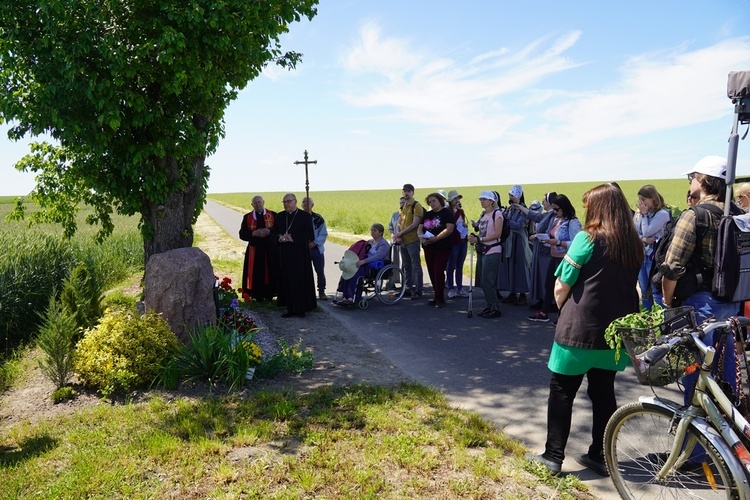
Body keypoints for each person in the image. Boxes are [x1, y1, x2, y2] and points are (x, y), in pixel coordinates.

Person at [526, 183, 643, 476]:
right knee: (603, 392)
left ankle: (553, 457)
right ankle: (600, 455)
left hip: (580, 328)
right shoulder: (632, 242)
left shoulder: (587, 238)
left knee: (562, 390)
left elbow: (562, 283)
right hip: (615, 331)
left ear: (599, 208)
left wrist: (562, 307)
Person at [658, 156, 739, 323]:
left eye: (692, 177)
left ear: (703, 181)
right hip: (732, 302)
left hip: (700, 304)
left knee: (699, 349)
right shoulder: (737, 214)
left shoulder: (694, 215)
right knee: (725, 349)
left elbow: (673, 266)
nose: (690, 182)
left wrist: (667, 300)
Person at [528, 194, 581, 323]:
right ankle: (544, 312)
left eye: (557, 209)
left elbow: (576, 243)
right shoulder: (557, 220)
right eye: (554, 209)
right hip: (554, 256)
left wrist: (558, 243)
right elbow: (552, 234)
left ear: (565, 208)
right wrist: (544, 239)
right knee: (549, 285)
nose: (555, 212)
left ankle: (563, 316)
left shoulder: (572, 222)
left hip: (565, 258)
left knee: (564, 287)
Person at [270, 194, 317, 318]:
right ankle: (289, 309)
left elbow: (309, 234)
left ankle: (301, 309)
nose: (286, 204)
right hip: (284, 254)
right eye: (284, 202)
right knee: (287, 281)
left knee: (299, 281)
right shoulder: (280, 216)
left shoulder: (305, 216)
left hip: (299, 255)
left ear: (295, 202)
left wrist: (293, 238)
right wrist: (280, 238)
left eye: (288, 201)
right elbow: (273, 233)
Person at [514, 192, 557, 310]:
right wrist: (521, 207)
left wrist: (537, 236)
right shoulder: (547, 215)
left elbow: (551, 233)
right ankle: (542, 299)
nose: (542, 202)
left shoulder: (553, 216)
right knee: (540, 275)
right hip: (540, 250)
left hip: (546, 251)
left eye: (545, 200)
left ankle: (550, 302)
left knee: (545, 276)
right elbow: (534, 216)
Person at [467, 191, 504, 318]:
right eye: (481, 199)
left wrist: (479, 240)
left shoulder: (497, 214)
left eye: (484, 199)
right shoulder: (484, 215)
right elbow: (482, 232)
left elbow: (497, 234)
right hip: (483, 249)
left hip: (493, 250)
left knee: (488, 279)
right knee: (484, 280)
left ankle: (494, 307)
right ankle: (489, 306)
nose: (482, 201)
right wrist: (475, 237)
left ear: (491, 201)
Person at [633, 185, 670, 310]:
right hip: (641, 255)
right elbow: (633, 233)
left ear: (653, 198)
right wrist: (642, 239)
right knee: (644, 291)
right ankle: (647, 317)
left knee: (655, 289)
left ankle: (660, 317)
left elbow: (647, 231)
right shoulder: (639, 214)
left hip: (653, 257)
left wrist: (643, 216)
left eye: (644, 200)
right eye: (640, 200)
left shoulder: (662, 214)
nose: (641, 203)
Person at [338, 223, 392, 305]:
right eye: (372, 230)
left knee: (356, 273)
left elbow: (378, 256)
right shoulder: (369, 242)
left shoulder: (384, 244)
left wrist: (363, 261)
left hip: (375, 265)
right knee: (348, 270)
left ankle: (351, 297)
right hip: (364, 262)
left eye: (375, 230)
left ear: (380, 232)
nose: (373, 232)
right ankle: (345, 294)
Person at [419, 192, 455, 308]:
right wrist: (421, 239)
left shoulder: (447, 213)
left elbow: (449, 229)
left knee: (438, 272)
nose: (432, 203)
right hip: (428, 246)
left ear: (440, 201)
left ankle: (440, 298)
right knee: (431, 272)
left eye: (434, 201)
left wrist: (436, 238)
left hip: (442, 247)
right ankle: (436, 296)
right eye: (430, 202)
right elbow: (420, 228)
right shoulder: (427, 214)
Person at [498, 185, 532, 306]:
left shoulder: (523, 209)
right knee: (511, 266)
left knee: (520, 267)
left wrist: (506, 221)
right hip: (510, 240)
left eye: (512, 195)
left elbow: (520, 225)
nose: (510, 197)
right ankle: (512, 292)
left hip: (519, 240)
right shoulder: (510, 208)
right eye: (509, 195)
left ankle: (522, 294)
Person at [239, 195, 277, 301]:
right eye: (255, 203)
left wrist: (270, 232)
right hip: (254, 250)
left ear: (263, 202)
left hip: (270, 250)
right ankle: (257, 295)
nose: (258, 204)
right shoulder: (247, 217)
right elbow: (242, 234)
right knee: (256, 273)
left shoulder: (273, 215)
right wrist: (254, 233)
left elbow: (279, 231)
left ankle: (270, 294)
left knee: (271, 271)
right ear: (252, 205)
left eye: (259, 202)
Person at [394, 184, 425, 299]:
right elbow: (399, 221)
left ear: (413, 192)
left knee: (416, 265)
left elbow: (415, 223)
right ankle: (407, 288)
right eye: (404, 191)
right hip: (403, 241)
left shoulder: (416, 206)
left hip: (412, 240)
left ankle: (418, 289)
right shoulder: (403, 206)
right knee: (406, 266)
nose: (406, 193)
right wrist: (398, 234)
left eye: (408, 191)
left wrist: (401, 233)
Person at [302, 196, 328, 301]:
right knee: (303, 271)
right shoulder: (299, 217)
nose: (306, 204)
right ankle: (305, 292)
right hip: (303, 248)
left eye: (308, 202)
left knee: (320, 271)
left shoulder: (318, 219)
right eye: (304, 202)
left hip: (316, 249)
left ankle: (321, 291)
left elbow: (323, 233)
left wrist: (314, 243)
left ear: (312, 205)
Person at [446, 190, 469, 298]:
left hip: (463, 239)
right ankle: (451, 287)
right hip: (453, 241)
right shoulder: (448, 211)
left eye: (458, 199)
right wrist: (456, 212)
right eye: (455, 199)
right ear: (450, 201)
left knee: (460, 264)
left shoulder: (461, 211)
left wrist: (464, 224)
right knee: (451, 265)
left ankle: (460, 287)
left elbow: (461, 222)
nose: (457, 201)